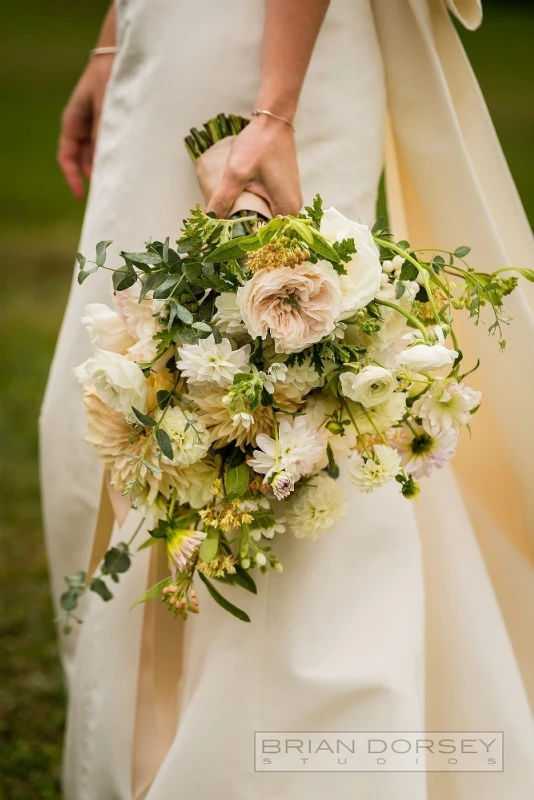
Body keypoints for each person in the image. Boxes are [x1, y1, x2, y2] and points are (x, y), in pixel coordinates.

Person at [42, 1, 534, 798]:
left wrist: (275, 106)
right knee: (140, 377)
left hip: (269, 45)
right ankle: (156, 742)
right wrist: (113, 38)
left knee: (289, 384)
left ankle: (296, 755)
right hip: (166, 40)